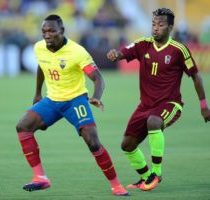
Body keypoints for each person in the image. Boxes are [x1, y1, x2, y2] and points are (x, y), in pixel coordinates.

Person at [16, 14, 129, 196]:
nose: (47, 34)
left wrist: (96, 96)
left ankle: (116, 186)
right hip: (52, 100)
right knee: (23, 126)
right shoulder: (39, 48)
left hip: (75, 100)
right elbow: (42, 67)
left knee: (92, 142)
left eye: (52, 30)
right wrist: (37, 93)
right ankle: (40, 178)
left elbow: (98, 78)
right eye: (44, 31)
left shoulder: (77, 52)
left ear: (62, 31)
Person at [106, 8, 210, 191]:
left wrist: (203, 105)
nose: (155, 28)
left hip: (171, 104)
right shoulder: (143, 44)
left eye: (160, 25)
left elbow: (196, 76)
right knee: (127, 145)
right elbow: (123, 52)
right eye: (153, 24)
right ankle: (146, 177)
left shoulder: (179, 50)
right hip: (145, 105)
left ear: (170, 27)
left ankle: (156, 172)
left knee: (153, 121)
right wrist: (115, 54)